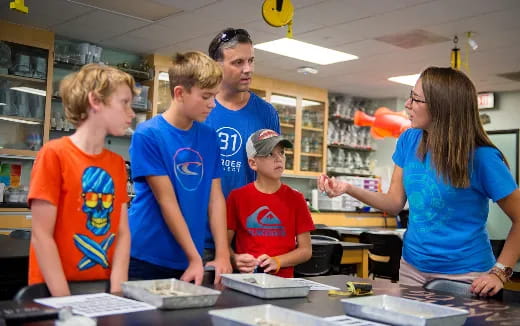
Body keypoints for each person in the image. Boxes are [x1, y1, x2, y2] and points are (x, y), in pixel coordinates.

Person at [318, 67, 520, 296]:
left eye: (416, 99)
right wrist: (348, 188)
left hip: (465, 276)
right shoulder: (409, 139)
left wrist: (500, 271)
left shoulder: (482, 157)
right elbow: (394, 203)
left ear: (441, 106)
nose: (407, 104)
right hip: (412, 268)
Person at [28, 64, 136, 296]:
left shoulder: (117, 163)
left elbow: (123, 232)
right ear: (96, 101)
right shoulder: (54, 154)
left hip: (101, 290)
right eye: (124, 103)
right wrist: (65, 302)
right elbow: (41, 236)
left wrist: (117, 292)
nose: (132, 113)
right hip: (53, 292)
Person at [128, 51, 232, 285]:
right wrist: (194, 258)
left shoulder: (210, 137)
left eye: (214, 96)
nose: (212, 104)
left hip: (188, 257)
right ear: (179, 93)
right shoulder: (148, 134)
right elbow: (168, 202)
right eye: (206, 96)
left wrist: (222, 254)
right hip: (146, 256)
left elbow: (215, 199)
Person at [204, 28, 281, 259]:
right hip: (202, 236)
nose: (247, 69)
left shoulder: (266, 113)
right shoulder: (201, 107)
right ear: (216, 65)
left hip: (249, 237)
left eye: (251, 61)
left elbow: (272, 174)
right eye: (238, 62)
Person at [226, 129, 314, 277]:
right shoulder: (237, 197)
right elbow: (224, 244)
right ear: (253, 163)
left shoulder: (297, 199)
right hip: (246, 281)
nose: (279, 158)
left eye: (282, 153)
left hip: (284, 286)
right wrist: (234, 259)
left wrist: (278, 261)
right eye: (269, 154)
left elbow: (306, 251)